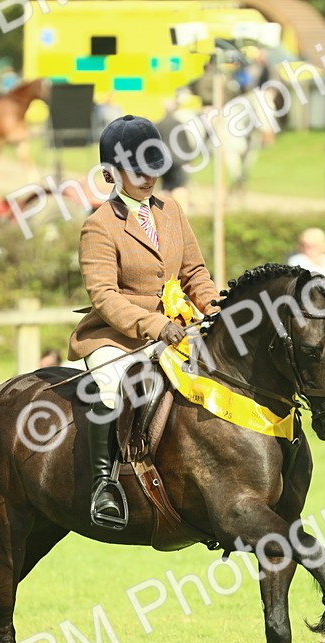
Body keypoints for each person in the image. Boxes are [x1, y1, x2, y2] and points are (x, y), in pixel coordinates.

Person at [68, 114, 222, 528]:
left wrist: (216, 307)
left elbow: (194, 273)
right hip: (117, 336)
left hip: (178, 327)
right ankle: (105, 486)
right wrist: (154, 327)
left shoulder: (172, 210)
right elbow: (103, 296)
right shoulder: (99, 226)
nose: (149, 176)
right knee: (108, 385)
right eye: (138, 169)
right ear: (111, 173)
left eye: (154, 166)